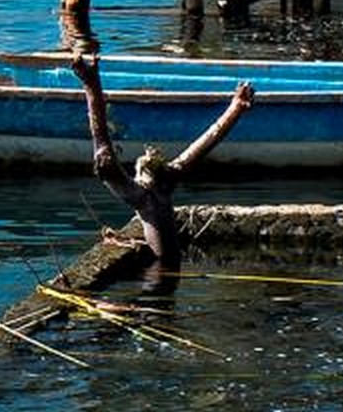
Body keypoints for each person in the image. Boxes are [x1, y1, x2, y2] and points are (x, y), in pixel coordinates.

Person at [67, 50, 256, 287]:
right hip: (168, 271)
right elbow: (210, 137)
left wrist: (91, 87)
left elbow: (102, 146)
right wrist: (235, 108)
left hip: (160, 279)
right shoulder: (162, 184)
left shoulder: (143, 193)